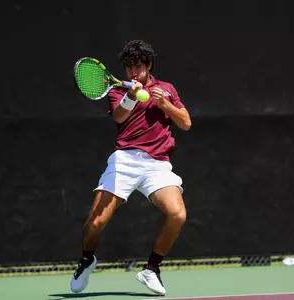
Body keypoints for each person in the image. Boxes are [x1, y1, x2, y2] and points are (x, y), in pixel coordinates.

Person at [70, 39, 192, 296]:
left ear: (148, 66)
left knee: (178, 215)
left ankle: (151, 269)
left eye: (137, 67)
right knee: (95, 223)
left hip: (157, 164)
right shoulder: (118, 91)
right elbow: (118, 116)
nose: (132, 73)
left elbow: (186, 123)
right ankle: (86, 260)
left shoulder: (167, 89)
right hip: (124, 160)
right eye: (128, 68)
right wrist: (131, 95)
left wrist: (165, 105)